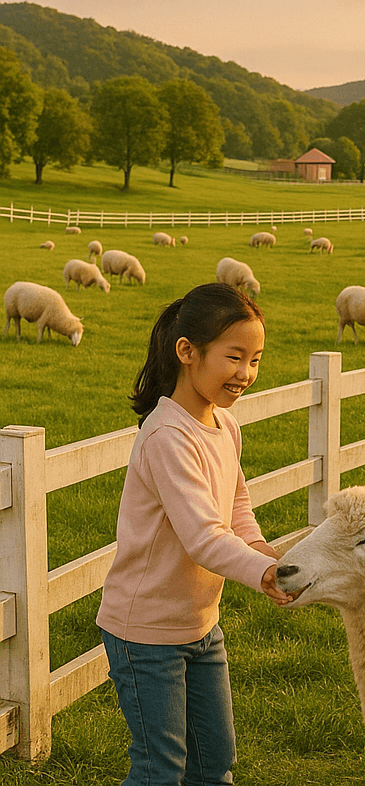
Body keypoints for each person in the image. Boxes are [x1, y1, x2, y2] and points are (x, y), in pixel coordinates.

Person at [96, 283, 291, 786]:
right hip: (145, 633)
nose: (246, 373)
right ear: (187, 351)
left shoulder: (225, 426)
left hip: (200, 626)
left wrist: (259, 548)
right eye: (234, 357)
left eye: (255, 359)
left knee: (213, 762)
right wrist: (262, 572)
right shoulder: (168, 435)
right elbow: (203, 537)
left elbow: (236, 505)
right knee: (159, 769)